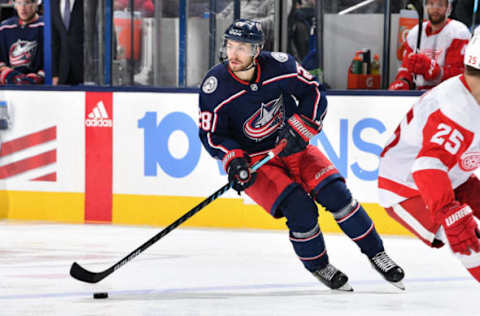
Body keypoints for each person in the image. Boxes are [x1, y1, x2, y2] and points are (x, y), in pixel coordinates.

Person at [198, 18, 405, 291]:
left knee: (338, 196)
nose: (233, 54)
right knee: (301, 212)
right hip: (258, 164)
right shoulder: (215, 86)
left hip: (293, 147)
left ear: (257, 50)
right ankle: (320, 266)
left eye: (242, 47)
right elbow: (212, 135)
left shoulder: (281, 65)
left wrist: (300, 128)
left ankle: (376, 253)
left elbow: (314, 93)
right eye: (230, 45)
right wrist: (234, 160)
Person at [378, 27, 480, 283]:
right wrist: (449, 212)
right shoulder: (455, 110)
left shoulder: (472, 94)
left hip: (455, 176)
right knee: (466, 238)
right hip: (408, 189)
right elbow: (427, 167)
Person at [389, 0, 471, 90]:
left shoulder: (458, 32)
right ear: (426, 6)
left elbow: (460, 75)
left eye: (440, 5)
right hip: (419, 95)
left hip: (447, 95)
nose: (435, 9)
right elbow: (406, 68)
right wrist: (404, 81)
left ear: (449, 8)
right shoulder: (415, 33)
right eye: (431, 4)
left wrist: (435, 71)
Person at [218, 0, 291, 52]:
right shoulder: (241, 1)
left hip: (256, 43)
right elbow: (222, 15)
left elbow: (274, 21)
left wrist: (247, 25)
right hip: (228, 38)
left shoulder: (277, 2)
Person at [0, 0, 44, 85]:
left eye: (27, 3)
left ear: (36, 4)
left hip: (39, 88)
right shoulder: (4, 28)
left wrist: (40, 76)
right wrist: (7, 74)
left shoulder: (45, 27)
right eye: (19, 3)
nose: (22, 8)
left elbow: (54, 61)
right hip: (9, 87)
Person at [50, 0, 84, 85]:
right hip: (63, 72)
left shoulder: (87, 3)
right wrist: (55, 74)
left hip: (85, 72)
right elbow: (55, 41)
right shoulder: (53, 3)